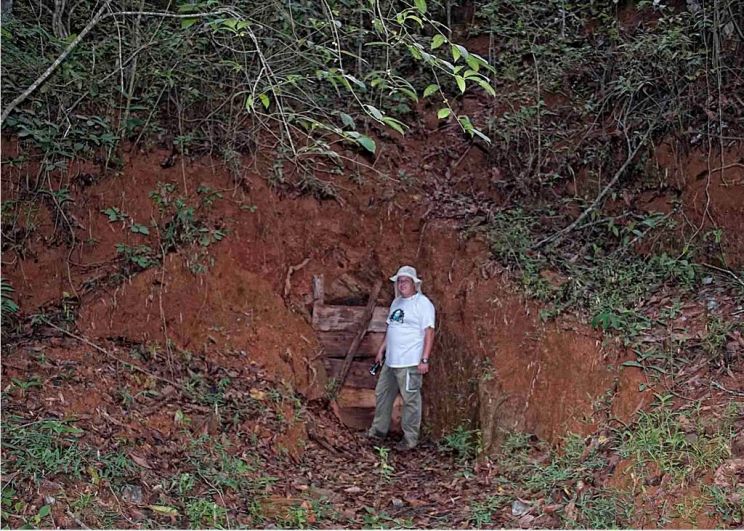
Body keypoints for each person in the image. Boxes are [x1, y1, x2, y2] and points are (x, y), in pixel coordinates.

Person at [368, 265, 436, 451]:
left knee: (411, 399)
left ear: (414, 283)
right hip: (391, 361)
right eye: (399, 281)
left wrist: (424, 359)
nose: (401, 284)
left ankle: (410, 439)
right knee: (382, 394)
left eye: (405, 280)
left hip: (410, 362)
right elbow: (391, 329)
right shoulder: (396, 303)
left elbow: (429, 332)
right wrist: (381, 350)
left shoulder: (422, 304)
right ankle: (378, 432)